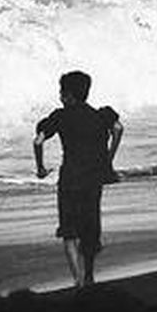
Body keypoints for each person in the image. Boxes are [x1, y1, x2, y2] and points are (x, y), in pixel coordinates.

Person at [34, 70, 124, 288]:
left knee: (69, 231)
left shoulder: (60, 116)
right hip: (93, 178)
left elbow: (38, 141)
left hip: (70, 179)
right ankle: (90, 276)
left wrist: (41, 168)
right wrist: (108, 160)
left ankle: (78, 280)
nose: (60, 97)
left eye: (61, 92)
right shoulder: (101, 115)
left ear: (68, 95)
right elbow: (118, 129)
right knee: (90, 227)